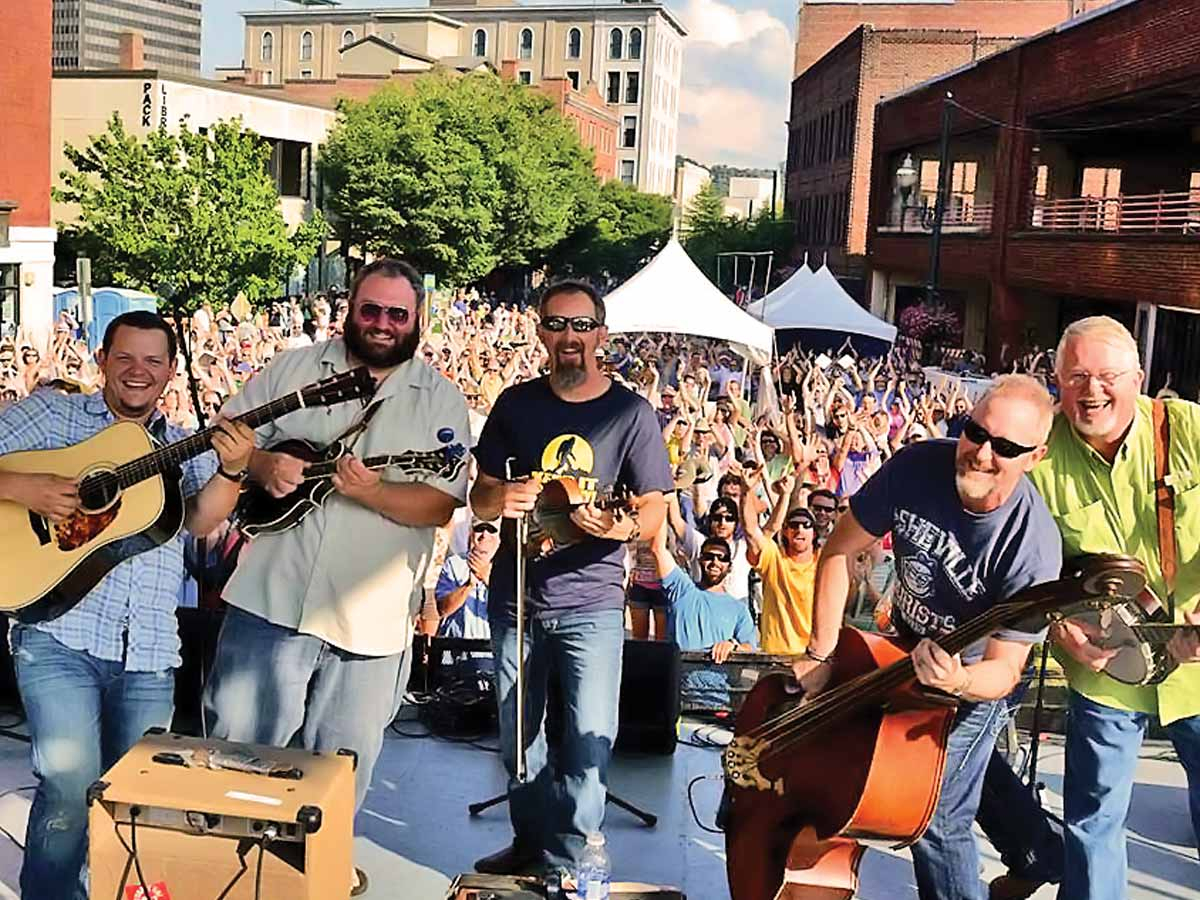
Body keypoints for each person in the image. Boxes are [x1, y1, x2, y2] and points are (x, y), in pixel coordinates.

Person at [202, 258, 470, 897]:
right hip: (270, 599)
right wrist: (262, 463)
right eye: (369, 309)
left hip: (368, 627)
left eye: (396, 314)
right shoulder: (294, 369)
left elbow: (440, 502)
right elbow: (226, 432)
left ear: (418, 321)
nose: (380, 323)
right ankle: (228, 881)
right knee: (238, 760)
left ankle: (313, 884)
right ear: (349, 307)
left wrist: (375, 493)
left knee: (338, 776)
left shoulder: (440, 398)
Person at [0, 312, 255, 900]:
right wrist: (24, 488)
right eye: (125, 358)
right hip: (59, 634)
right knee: (67, 783)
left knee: (130, 802)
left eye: (152, 361)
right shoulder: (53, 415)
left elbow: (200, 520)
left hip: (149, 649)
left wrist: (235, 469)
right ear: (102, 361)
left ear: (170, 372)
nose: (138, 372)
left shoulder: (177, 443)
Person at [791, 374, 1063, 900]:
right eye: (975, 432)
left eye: (1006, 447)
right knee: (962, 771)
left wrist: (959, 679)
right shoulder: (917, 465)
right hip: (907, 643)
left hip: (976, 674)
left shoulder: (1033, 546)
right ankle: (1042, 852)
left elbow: (1004, 672)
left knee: (935, 810)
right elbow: (840, 550)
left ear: (1036, 456)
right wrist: (819, 652)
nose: (982, 453)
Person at [469, 280, 672, 878]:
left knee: (589, 737)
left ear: (601, 335)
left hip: (592, 603)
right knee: (517, 741)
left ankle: (575, 855)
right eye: (558, 325)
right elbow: (479, 495)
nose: (570, 338)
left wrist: (618, 530)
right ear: (540, 332)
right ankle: (530, 842)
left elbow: (654, 508)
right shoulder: (514, 406)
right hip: (519, 599)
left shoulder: (630, 413)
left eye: (583, 326)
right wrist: (500, 495)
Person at [1027, 316, 1200, 900]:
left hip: (1199, 664)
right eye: (1076, 376)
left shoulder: (1187, 428)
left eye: (1106, 376)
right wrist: (1059, 630)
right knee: (1094, 819)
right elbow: (1028, 571)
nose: (1091, 390)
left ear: (1140, 378)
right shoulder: (1041, 456)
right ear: (1056, 379)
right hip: (1107, 666)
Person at [650, 521, 757, 709]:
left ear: (729, 566)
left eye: (721, 558)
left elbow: (750, 648)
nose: (715, 562)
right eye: (709, 556)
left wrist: (732, 645)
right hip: (676, 699)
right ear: (700, 560)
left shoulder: (738, 608)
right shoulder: (682, 589)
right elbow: (658, 549)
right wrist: (660, 498)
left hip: (718, 703)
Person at [741, 471, 819, 655]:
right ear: (785, 531)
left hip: (813, 659)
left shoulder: (823, 563)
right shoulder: (773, 559)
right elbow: (751, 530)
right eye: (793, 525)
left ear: (814, 533)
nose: (799, 529)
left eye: (806, 525)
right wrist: (746, 492)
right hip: (774, 659)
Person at [435, 517, 500, 675]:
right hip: (454, 654)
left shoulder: (510, 568)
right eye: (479, 529)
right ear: (470, 533)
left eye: (491, 530)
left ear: (499, 537)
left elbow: (519, 611)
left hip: (492, 657)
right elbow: (441, 609)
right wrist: (469, 585)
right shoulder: (452, 564)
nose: (484, 535)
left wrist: (487, 578)